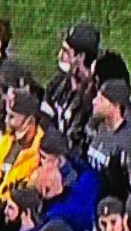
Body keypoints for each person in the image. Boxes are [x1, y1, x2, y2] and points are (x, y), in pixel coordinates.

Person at [43, 21, 100, 154]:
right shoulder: (58, 84)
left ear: (81, 57)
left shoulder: (95, 98)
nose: (60, 56)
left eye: (66, 52)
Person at [35, 127, 100, 231]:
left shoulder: (83, 182)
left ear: (58, 160)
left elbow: (79, 218)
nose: (40, 162)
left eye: (44, 158)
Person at [86, 78, 131, 200]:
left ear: (115, 105)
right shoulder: (98, 127)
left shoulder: (128, 141)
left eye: (101, 99)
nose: (94, 101)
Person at [0, 91, 43, 204]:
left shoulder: (41, 152)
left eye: (11, 117)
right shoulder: (5, 142)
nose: (6, 121)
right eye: (7, 115)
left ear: (30, 120)